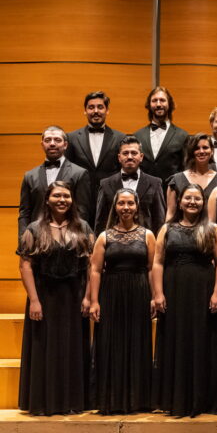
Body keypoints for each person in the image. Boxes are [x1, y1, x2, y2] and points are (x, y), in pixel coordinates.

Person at [17, 181, 93, 415]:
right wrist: (35, 300)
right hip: (44, 296)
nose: (62, 200)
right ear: (47, 199)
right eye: (57, 196)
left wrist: (89, 297)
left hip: (74, 296)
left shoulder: (83, 228)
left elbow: (92, 266)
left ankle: (72, 402)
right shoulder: (34, 229)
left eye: (67, 196)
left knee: (73, 348)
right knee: (44, 347)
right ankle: (43, 402)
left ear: (72, 200)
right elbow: (25, 266)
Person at [151, 183, 217, 417]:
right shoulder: (167, 228)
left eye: (197, 199)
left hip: (202, 289)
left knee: (201, 340)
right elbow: (157, 262)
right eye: (188, 198)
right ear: (180, 202)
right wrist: (158, 293)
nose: (192, 202)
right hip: (173, 289)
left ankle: (200, 399)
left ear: (203, 203)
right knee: (175, 339)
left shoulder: (213, 229)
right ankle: (174, 398)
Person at [89, 189, 155, 414]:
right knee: (110, 343)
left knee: (138, 342)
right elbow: (96, 270)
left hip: (139, 292)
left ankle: (138, 400)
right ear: (115, 207)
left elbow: (152, 268)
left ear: (137, 207)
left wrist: (155, 296)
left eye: (130, 203)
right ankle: (111, 400)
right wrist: (94, 301)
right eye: (121, 204)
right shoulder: (104, 236)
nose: (126, 208)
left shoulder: (148, 235)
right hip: (111, 293)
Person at [19, 126, 90, 237]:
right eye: (48, 140)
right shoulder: (30, 176)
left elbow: (82, 212)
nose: (52, 144)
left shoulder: (79, 173)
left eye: (57, 140)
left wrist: (76, 240)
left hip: (68, 240)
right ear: (42, 144)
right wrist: (23, 243)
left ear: (65, 145)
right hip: (37, 239)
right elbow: (24, 214)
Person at [65, 91, 124, 224]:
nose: (95, 111)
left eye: (100, 107)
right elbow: (67, 173)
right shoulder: (72, 138)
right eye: (91, 107)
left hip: (110, 203)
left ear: (107, 110)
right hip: (80, 204)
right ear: (85, 111)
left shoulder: (121, 138)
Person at [94, 135, 166, 235]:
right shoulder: (105, 184)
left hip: (146, 244)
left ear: (141, 157)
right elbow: (100, 221)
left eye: (134, 153)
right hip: (113, 244)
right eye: (125, 153)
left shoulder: (155, 183)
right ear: (119, 157)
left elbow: (159, 220)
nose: (130, 157)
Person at [133, 86, 189, 187]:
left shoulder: (183, 136)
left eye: (162, 100)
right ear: (149, 105)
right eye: (154, 100)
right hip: (143, 193)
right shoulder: (137, 135)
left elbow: (186, 170)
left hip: (171, 193)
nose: (158, 104)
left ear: (169, 104)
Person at [165, 133, 217, 221]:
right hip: (181, 233)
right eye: (197, 148)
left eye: (205, 147)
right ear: (191, 152)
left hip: (212, 232)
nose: (201, 151)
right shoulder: (176, 180)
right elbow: (170, 213)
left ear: (212, 151)